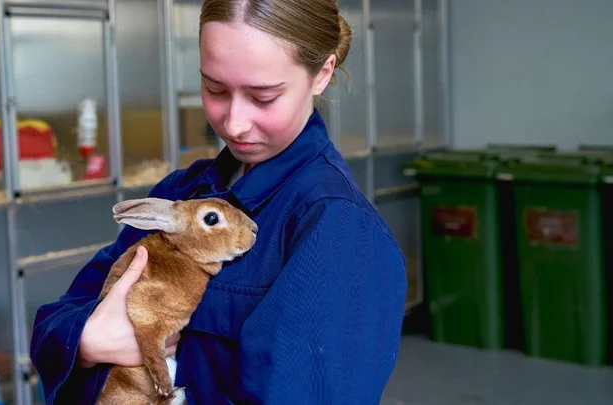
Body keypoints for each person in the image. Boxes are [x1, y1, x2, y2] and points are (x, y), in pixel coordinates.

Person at [30, 0, 408, 403]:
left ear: (322, 74)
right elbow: (55, 321)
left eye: (263, 96)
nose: (234, 123)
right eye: (214, 89)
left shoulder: (336, 228)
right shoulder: (181, 194)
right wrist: (89, 340)